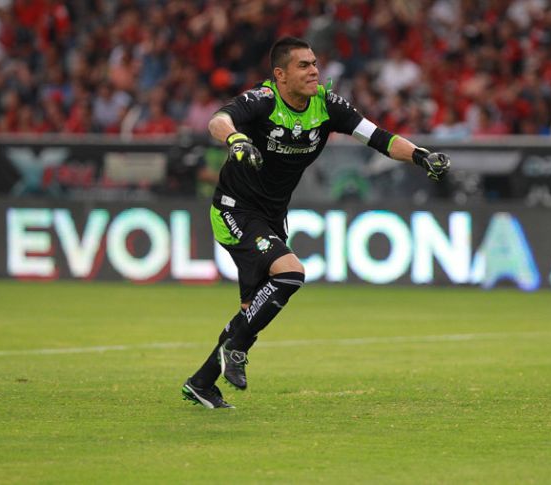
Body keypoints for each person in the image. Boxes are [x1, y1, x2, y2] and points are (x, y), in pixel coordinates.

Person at [181, 37, 451, 409]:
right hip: (235, 208)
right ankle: (237, 350)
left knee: (252, 310)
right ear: (280, 75)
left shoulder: (326, 106)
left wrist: (420, 155)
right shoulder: (262, 101)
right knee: (291, 273)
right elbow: (219, 120)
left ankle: (202, 382)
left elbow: (379, 138)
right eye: (303, 66)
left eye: (314, 64)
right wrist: (236, 139)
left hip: (272, 217)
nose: (314, 71)